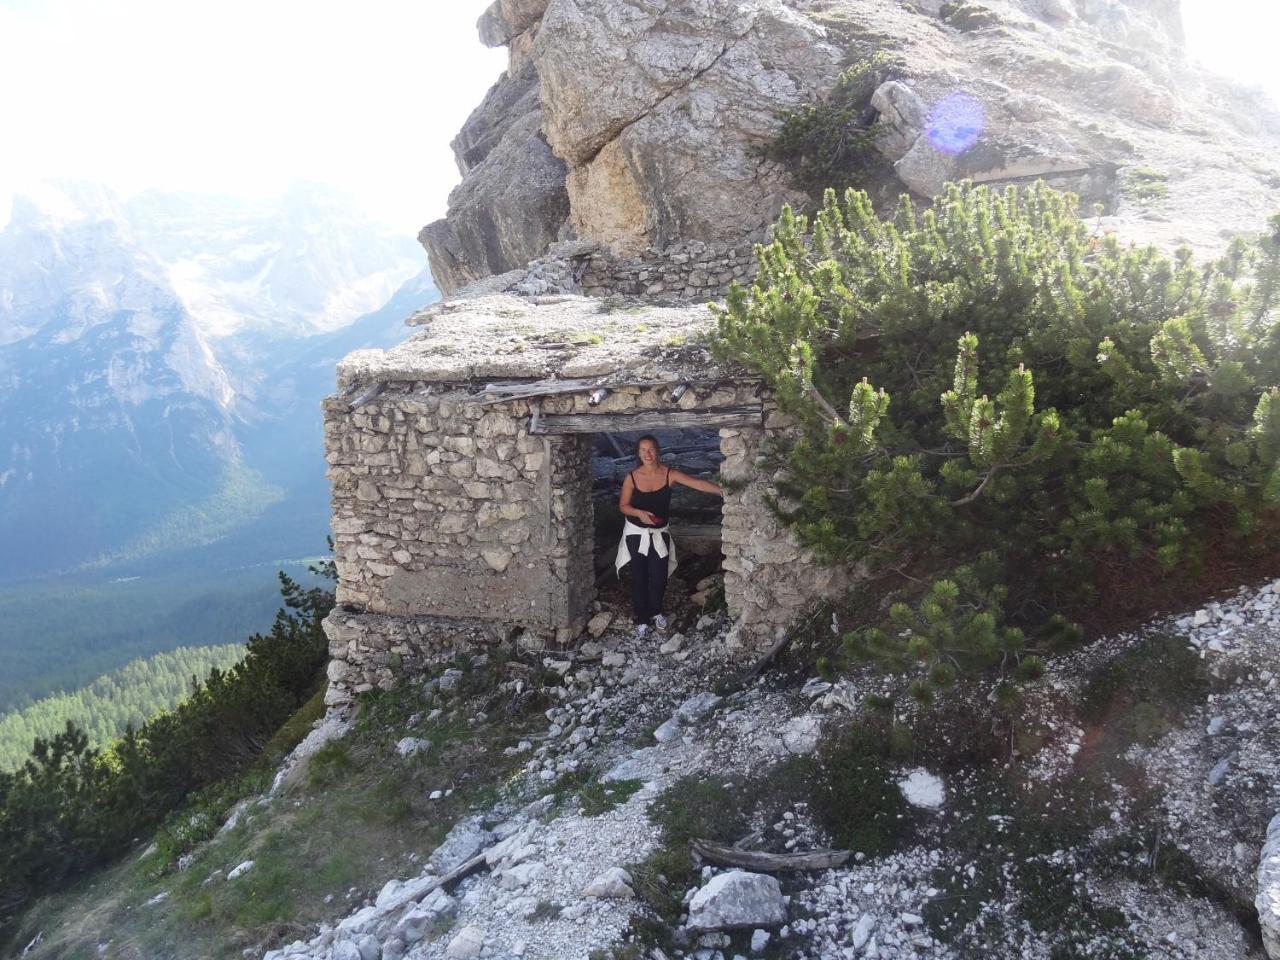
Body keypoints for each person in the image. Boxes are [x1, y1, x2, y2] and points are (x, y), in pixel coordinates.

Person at [615, 434, 723, 637]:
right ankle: (641, 619)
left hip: (659, 533)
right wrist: (639, 513)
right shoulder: (631, 477)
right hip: (636, 534)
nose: (647, 454)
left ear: (658, 450)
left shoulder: (669, 474)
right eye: (643, 450)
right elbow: (623, 506)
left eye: (651, 449)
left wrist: (722, 491)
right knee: (639, 578)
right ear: (638, 453)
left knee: (659, 576)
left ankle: (656, 612)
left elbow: (697, 483)